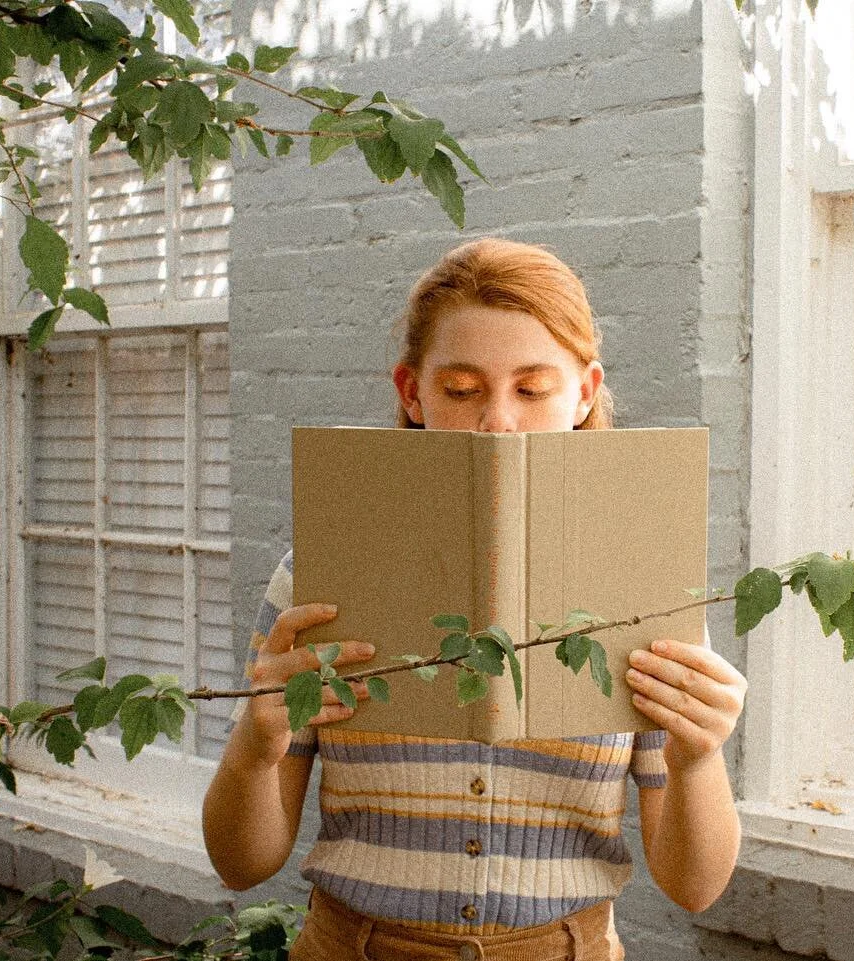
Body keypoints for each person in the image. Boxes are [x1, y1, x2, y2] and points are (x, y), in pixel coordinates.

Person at [203, 238, 747, 961]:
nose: (498, 421)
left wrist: (699, 759)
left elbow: (695, 887)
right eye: (461, 389)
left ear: (585, 392)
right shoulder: (319, 574)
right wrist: (254, 748)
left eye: (532, 389)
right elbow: (241, 864)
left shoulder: (640, 583)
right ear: (412, 392)